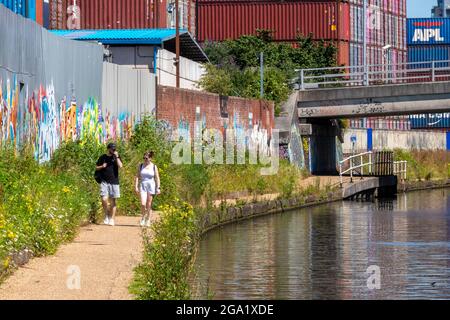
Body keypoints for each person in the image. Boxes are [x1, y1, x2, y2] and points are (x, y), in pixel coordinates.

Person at [96, 143, 123, 226]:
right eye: (112, 149)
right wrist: (102, 166)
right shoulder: (103, 157)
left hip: (114, 181)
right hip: (104, 181)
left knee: (113, 201)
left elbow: (121, 166)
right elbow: (96, 167)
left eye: (114, 149)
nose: (113, 150)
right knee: (104, 199)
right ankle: (106, 214)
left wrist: (117, 157)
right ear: (108, 149)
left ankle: (112, 219)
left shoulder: (116, 157)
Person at [135, 151, 161, 227]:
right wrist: (136, 186)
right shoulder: (140, 166)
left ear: (150, 158)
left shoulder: (154, 166)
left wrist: (158, 188)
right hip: (143, 185)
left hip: (151, 185)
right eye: (144, 158)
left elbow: (157, 177)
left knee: (148, 204)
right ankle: (143, 218)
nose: (145, 159)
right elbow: (137, 176)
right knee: (143, 204)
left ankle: (148, 219)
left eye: (146, 158)